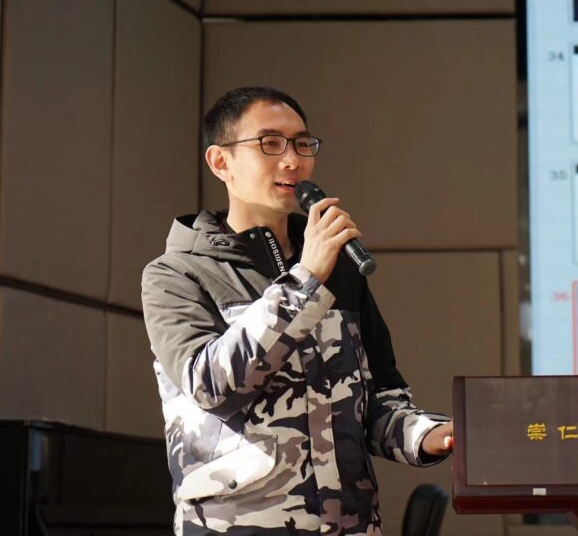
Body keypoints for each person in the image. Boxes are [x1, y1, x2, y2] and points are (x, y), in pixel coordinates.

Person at [141, 87, 453, 535]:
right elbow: (211, 387)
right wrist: (306, 278)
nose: (293, 160)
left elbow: (377, 401)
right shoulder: (177, 274)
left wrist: (429, 435)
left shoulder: (339, 268)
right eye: (270, 143)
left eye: (302, 144)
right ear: (221, 161)